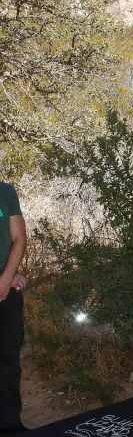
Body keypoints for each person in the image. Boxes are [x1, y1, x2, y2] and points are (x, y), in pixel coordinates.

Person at [0, 182, 28, 435]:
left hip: (4, 290)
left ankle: (10, 425)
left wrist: (7, 277)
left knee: (8, 360)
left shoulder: (5, 192)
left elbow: (19, 237)